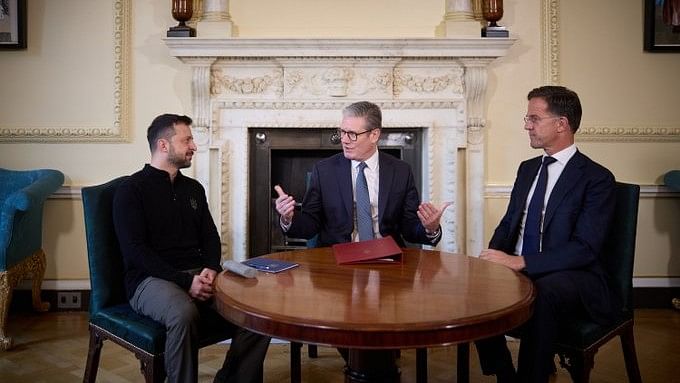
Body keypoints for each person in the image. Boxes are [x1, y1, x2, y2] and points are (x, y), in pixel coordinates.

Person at [474, 86, 618, 383]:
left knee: (545, 292)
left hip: (575, 276)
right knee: (472, 286)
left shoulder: (596, 178)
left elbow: (585, 248)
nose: (527, 125)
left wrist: (520, 262)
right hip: (526, 268)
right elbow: (508, 224)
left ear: (561, 124)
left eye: (534, 118)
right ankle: (504, 373)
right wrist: (492, 259)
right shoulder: (527, 169)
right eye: (527, 118)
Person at [113, 114, 270, 383]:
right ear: (163, 145)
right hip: (149, 280)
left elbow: (210, 237)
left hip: (198, 273)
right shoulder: (131, 190)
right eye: (186, 140)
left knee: (258, 311)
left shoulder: (193, 189)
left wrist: (210, 268)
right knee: (183, 313)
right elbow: (136, 252)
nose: (194, 146)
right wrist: (187, 282)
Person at [274, 101, 449, 249]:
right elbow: (310, 226)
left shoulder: (400, 171)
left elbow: (410, 228)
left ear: (374, 135)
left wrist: (430, 228)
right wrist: (288, 218)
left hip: (386, 257)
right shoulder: (325, 170)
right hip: (337, 260)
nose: (344, 139)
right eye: (342, 132)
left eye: (352, 134)